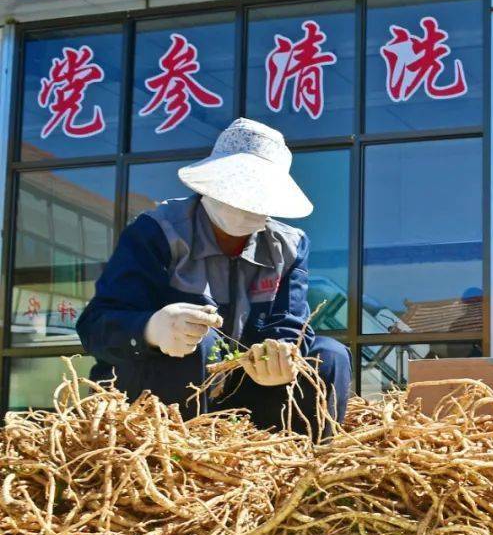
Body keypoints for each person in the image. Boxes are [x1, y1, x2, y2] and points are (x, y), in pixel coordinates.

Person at [77, 118, 352, 440]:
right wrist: (151, 329)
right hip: (159, 396)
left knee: (330, 355)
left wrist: (281, 356)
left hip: (250, 393)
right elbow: (95, 325)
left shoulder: (288, 247)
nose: (244, 201)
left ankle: (307, 464)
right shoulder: (157, 233)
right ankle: (182, 458)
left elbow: (290, 324)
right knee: (198, 341)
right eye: (236, 185)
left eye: (257, 190)